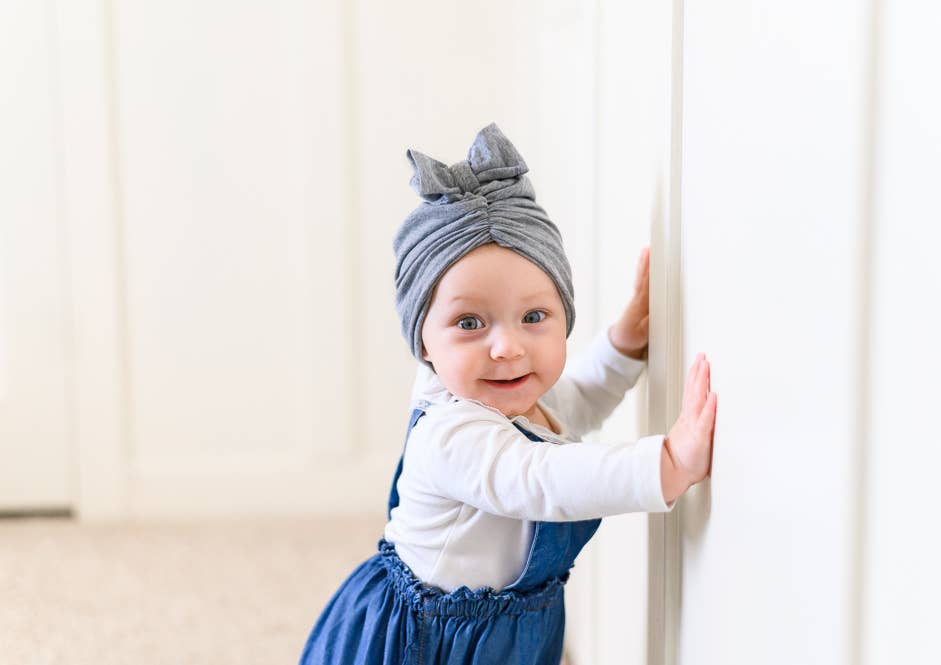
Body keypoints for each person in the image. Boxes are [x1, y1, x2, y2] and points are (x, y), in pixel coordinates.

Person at [299, 123, 717, 665]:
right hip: (430, 640)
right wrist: (668, 463)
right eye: (470, 322)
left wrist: (624, 343)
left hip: (506, 629)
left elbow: (578, 401)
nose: (507, 347)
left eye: (534, 317)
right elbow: (544, 477)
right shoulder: (452, 435)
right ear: (422, 343)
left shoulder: (518, 400)